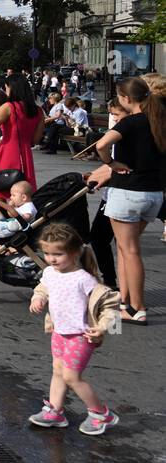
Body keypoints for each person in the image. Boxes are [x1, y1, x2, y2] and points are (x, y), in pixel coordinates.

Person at [27, 223, 120, 435]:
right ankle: (55, 411)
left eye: (58, 254)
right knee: (58, 372)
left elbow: (109, 304)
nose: (51, 259)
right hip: (59, 332)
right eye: (48, 253)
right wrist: (38, 297)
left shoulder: (83, 279)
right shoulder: (50, 272)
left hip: (81, 334)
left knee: (71, 377)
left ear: (75, 252)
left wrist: (102, 328)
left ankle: (101, 414)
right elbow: (43, 287)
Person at [86, 76, 164, 325]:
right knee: (123, 247)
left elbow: (101, 144)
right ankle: (125, 301)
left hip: (128, 191)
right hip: (154, 193)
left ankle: (136, 308)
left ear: (126, 99)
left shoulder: (131, 123)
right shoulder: (159, 120)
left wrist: (110, 163)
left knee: (129, 250)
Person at [0, 74, 42, 219]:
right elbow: (35, 139)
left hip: (7, 153)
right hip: (26, 156)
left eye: (6, 88)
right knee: (21, 195)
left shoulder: (9, 107)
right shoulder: (38, 111)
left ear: (12, 88)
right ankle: (18, 225)